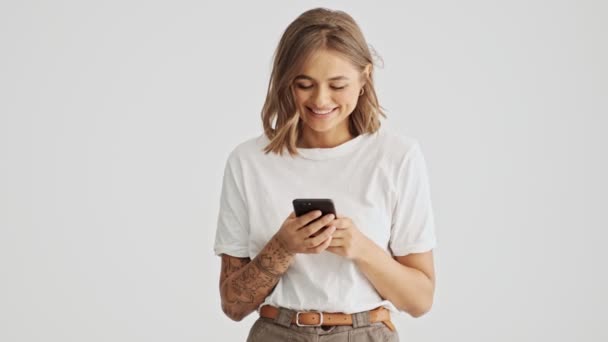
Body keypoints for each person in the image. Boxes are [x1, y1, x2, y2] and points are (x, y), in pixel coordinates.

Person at [213, 7, 437, 342]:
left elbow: (420, 300)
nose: (320, 100)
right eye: (304, 84)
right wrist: (283, 246)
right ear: (286, 81)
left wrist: (361, 248)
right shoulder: (248, 161)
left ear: (364, 78)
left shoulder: (397, 157)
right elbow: (233, 305)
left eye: (337, 85)